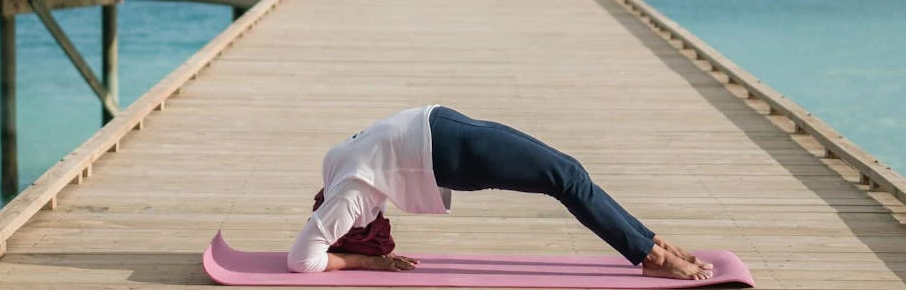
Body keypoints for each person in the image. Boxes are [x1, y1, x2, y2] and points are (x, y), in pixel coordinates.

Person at [287, 105, 714, 280]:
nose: (384, 227)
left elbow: (308, 251)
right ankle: (650, 256)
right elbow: (302, 262)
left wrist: (364, 256)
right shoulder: (343, 191)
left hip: (443, 132)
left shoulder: (344, 200)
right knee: (566, 177)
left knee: (570, 172)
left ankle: (649, 242)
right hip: (449, 146)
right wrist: (370, 262)